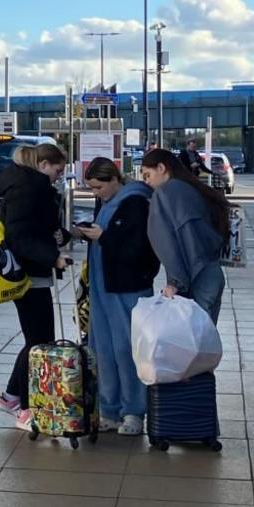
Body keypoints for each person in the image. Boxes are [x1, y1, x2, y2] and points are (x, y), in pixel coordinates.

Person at [75, 157, 158, 435]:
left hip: (128, 286)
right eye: (92, 189)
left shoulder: (136, 202)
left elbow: (139, 247)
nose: (95, 194)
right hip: (104, 285)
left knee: (127, 349)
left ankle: (133, 411)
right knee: (103, 349)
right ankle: (110, 409)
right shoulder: (110, 201)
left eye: (98, 187)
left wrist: (103, 237)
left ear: (114, 180)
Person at [0, 141, 70, 430]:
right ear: (43, 165)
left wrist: (60, 236)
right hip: (30, 275)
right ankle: (25, 408)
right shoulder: (30, 189)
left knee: (36, 339)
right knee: (39, 342)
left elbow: (35, 229)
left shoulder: (25, 185)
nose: (59, 176)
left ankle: (11, 396)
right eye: (57, 170)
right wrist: (53, 257)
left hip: (26, 272)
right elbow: (21, 236)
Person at [139, 147, 232, 321]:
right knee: (205, 340)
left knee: (189, 342)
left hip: (193, 275)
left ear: (161, 168)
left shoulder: (165, 194)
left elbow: (167, 243)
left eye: (147, 175)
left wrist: (175, 282)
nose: (147, 183)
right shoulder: (194, 188)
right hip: (212, 272)